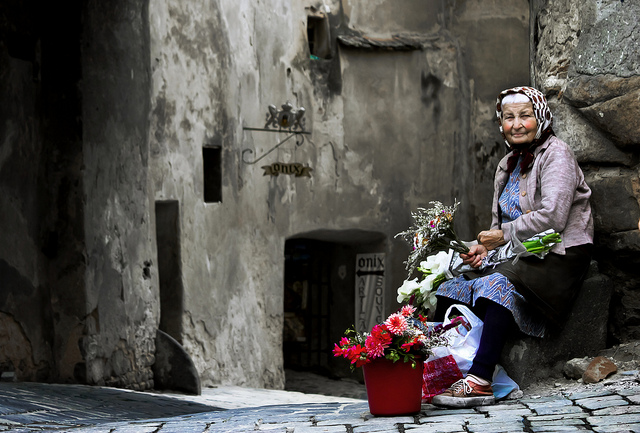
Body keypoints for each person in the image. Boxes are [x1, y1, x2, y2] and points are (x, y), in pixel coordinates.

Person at [430, 86, 594, 408]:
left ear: (541, 118)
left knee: (495, 283)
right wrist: (482, 249)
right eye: (508, 117)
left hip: (560, 253)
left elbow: (554, 217)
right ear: (501, 123)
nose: (516, 124)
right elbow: (497, 226)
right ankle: (440, 372)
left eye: (525, 115)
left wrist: (502, 236)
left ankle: (479, 381)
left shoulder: (556, 154)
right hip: (521, 253)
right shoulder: (506, 165)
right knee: (451, 286)